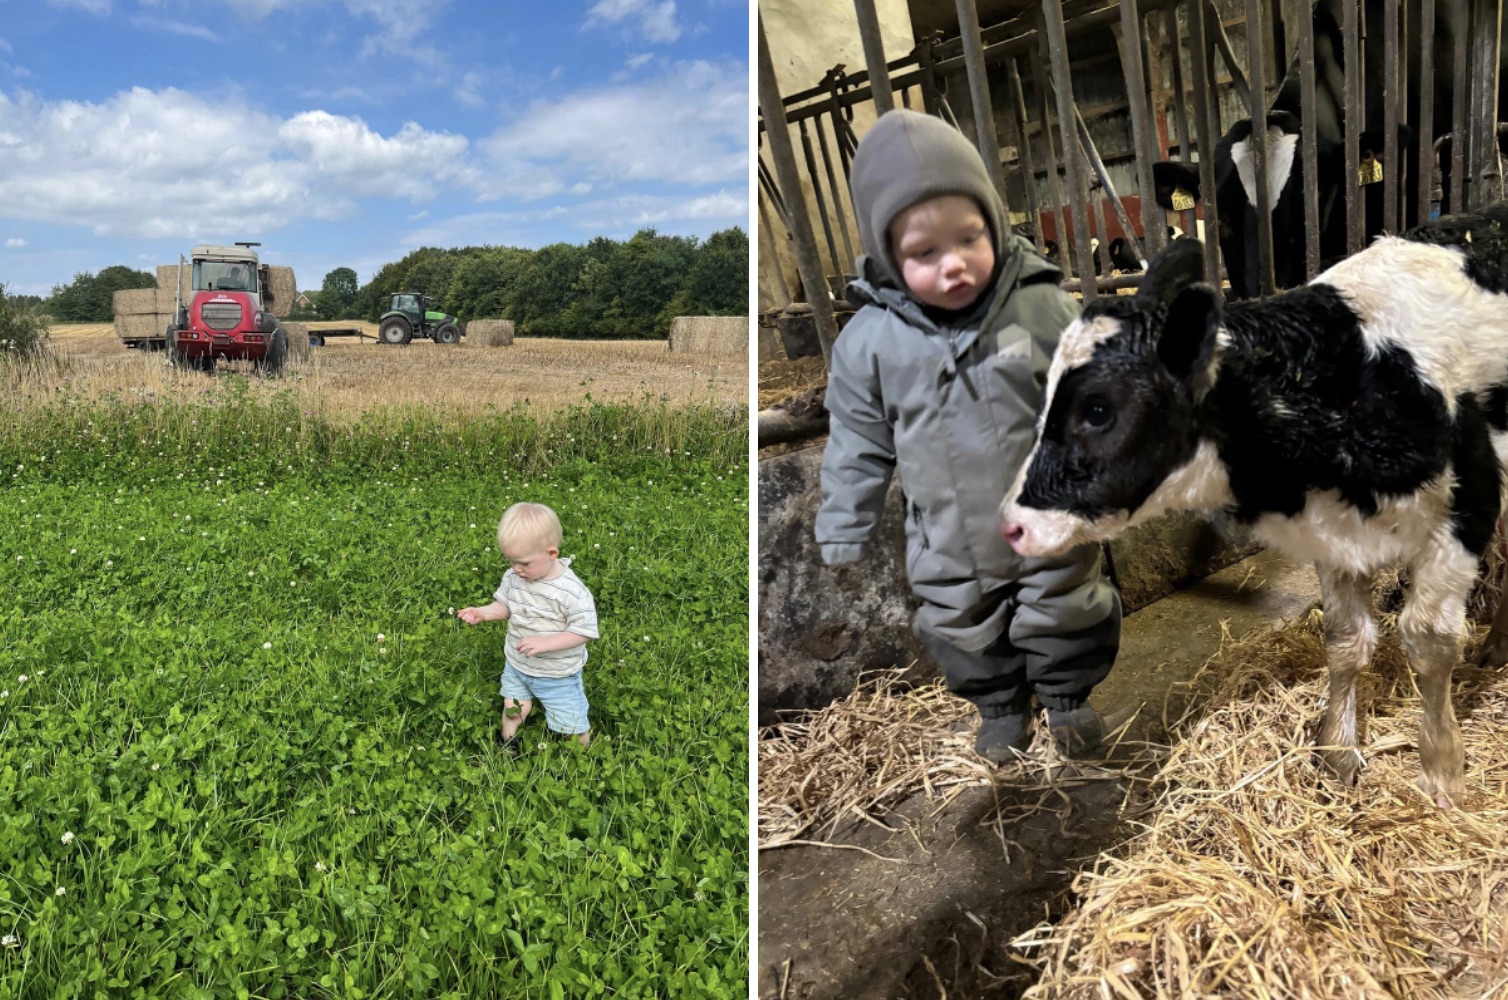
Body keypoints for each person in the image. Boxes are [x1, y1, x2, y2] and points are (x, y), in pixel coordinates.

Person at [815, 109, 1121, 762]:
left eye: (970, 237)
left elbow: (1092, 398)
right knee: (960, 623)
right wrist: (844, 523)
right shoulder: (867, 344)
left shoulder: (1039, 306)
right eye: (925, 253)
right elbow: (857, 443)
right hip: (950, 536)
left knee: (1066, 604)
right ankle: (1001, 708)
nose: (953, 265)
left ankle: (1068, 700)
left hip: (1047, 516)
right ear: (888, 255)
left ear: (993, 223)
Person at [458, 502, 599, 752]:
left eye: (523, 563)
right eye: (510, 561)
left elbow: (583, 631)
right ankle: (508, 744)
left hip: (557, 674)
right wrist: (483, 613)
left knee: (571, 723)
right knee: (512, 710)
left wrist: (546, 643)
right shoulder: (513, 578)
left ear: (551, 553)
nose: (515, 569)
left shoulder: (571, 592)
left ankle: (582, 758)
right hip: (517, 664)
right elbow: (505, 605)